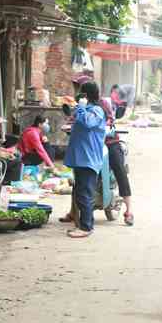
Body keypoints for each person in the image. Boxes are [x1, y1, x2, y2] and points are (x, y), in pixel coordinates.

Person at [64, 81, 106, 238]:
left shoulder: (97, 111)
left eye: (82, 94)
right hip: (80, 158)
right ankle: (85, 224)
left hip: (88, 158)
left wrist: (81, 108)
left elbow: (88, 123)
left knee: (85, 194)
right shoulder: (85, 110)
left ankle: (86, 227)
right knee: (80, 192)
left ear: (87, 95)